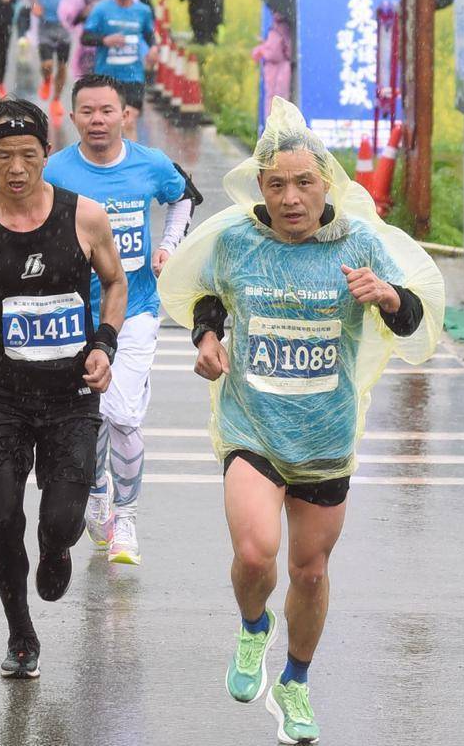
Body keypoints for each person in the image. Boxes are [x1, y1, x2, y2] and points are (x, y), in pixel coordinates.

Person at [160, 97, 443, 746]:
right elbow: (207, 292)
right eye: (277, 184)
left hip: (323, 434)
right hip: (251, 423)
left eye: (304, 183)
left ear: (326, 186)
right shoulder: (236, 239)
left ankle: (294, 679)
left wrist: (390, 297)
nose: (291, 197)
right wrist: (207, 337)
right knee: (256, 551)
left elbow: (411, 324)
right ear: (260, 187)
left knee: (310, 571)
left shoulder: (358, 243)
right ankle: (253, 625)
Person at [0, 99, 128, 680]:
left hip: (72, 396)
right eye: (3, 157)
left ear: (46, 153)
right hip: (2, 399)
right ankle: (20, 633)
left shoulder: (85, 218)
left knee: (62, 518)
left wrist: (105, 343)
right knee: (3, 517)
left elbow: (115, 283)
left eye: (29, 155)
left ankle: (58, 543)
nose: (17, 168)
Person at [43, 74, 198, 564]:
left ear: (125, 115)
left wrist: (169, 246)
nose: (97, 120)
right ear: (72, 118)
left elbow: (184, 197)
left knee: (123, 414)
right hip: (74, 315)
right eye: (86, 111)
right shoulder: (55, 171)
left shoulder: (151, 164)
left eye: (106, 111)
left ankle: (125, 518)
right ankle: (97, 494)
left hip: (134, 309)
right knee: (89, 416)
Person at [80, 0, 158, 135]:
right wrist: (105, 40)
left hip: (134, 76)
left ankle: (130, 162)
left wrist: (153, 48)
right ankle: (112, 159)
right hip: (107, 76)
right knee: (109, 126)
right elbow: (85, 37)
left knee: (129, 122)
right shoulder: (101, 9)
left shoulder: (143, 11)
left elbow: (149, 34)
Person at [25, 0, 82, 119]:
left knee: (62, 66)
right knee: (47, 65)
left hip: (65, 29)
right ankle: (46, 80)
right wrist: (33, 4)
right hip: (46, 27)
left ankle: (56, 100)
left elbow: (79, 0)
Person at [59, 0, 116, 82]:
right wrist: (83, 14)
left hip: (113, 50)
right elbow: (70, 20)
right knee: (89, 85)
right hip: (89, 49)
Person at [251, 15, 295, 109]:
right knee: (278, 98)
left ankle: (274, 122)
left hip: (278, 68)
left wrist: (263, 49)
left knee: (275, 98)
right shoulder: (280, 29)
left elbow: (274, 52)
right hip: (278, 68)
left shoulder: (278, 29)